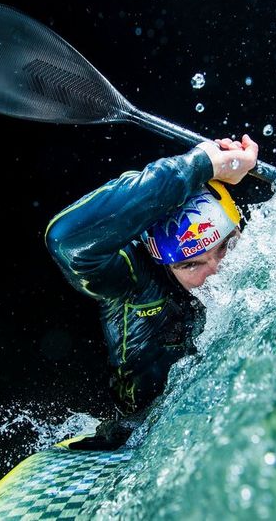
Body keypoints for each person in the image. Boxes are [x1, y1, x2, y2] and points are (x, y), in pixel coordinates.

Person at [45, 135, 259, 448]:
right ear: (165, 264)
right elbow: (66, 240)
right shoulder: (134, 279)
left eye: (227, 246)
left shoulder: (266, 251)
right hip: (141, 437)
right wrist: (202, 164)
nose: (217, 272)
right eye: (191, 264)